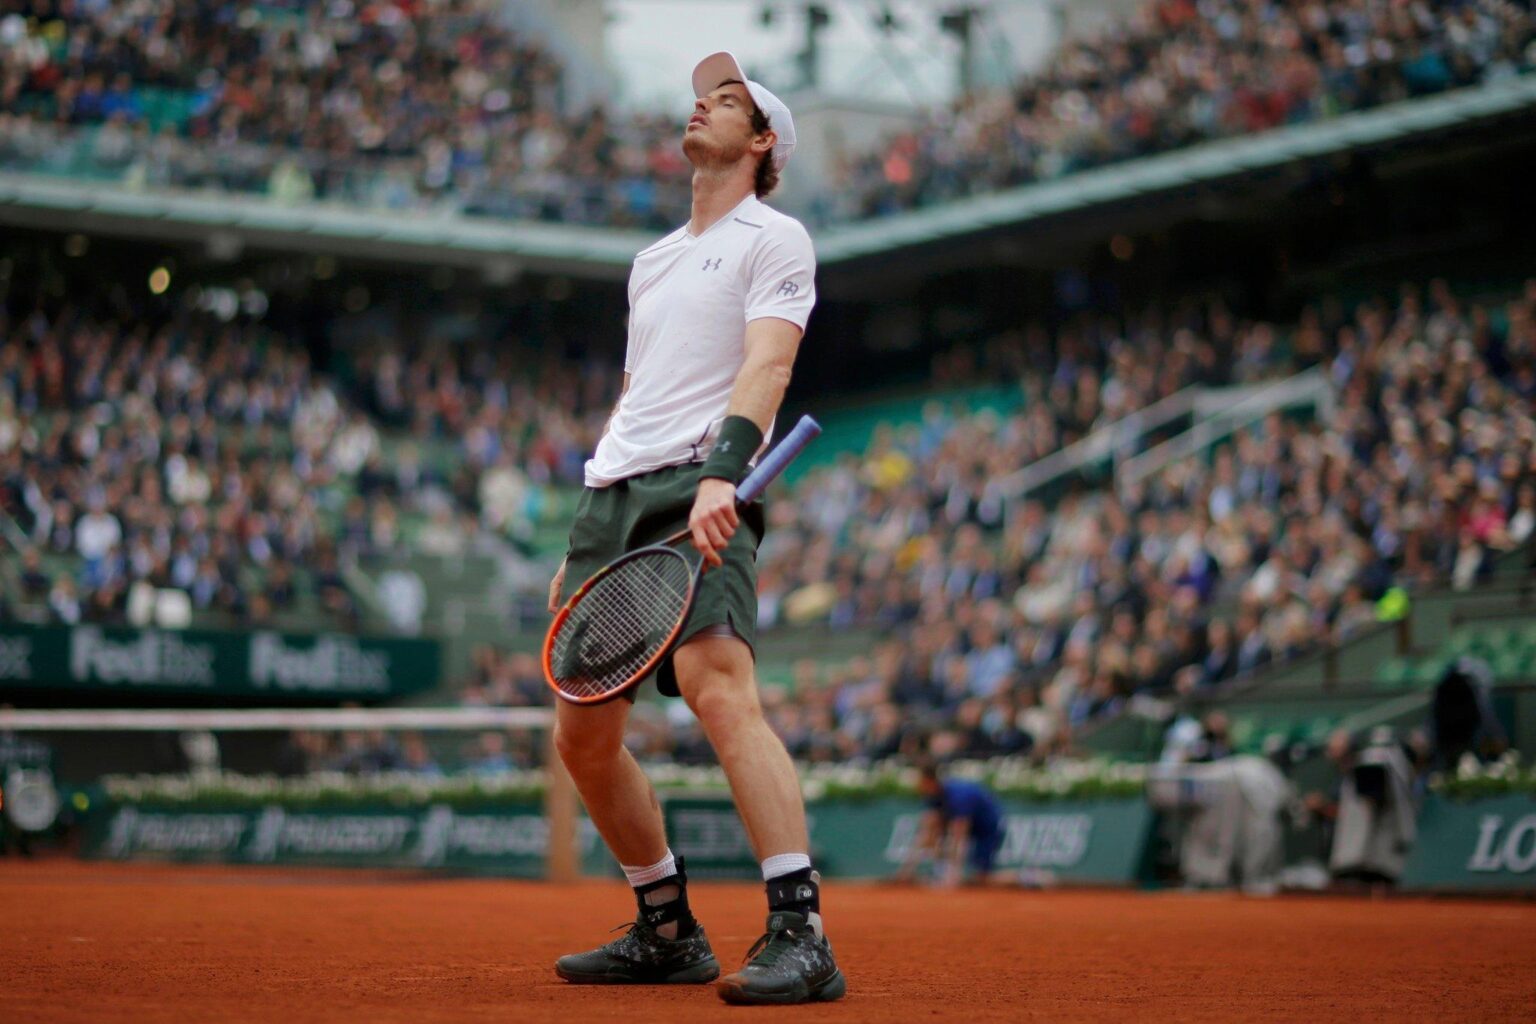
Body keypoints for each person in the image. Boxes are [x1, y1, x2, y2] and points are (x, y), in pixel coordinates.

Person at [545, 51, 843, 1005]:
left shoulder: (777, 237)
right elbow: (638, 395)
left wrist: (725, 477)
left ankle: (801, 930)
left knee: (720, 690)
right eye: (701, 95)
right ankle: (666, 926)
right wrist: (581, 536)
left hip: (703, 482)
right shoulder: (652, 260)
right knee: (582, 737)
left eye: (729, 100)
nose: (703, 106)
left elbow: (766, 367)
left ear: (762, 142)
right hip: (613, 496)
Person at [897, 761, 1005, 886]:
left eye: (919, 781)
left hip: (988, 828)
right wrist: (906, 870)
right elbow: (926, 832)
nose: (916, 786)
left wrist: (953, 875)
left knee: (982, 878)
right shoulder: (932, 796)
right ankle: (939, 872)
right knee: (932, 828)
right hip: (971, 823)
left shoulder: (958, 797)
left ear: (929, 781)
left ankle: (1024, 878)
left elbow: (959, 837)